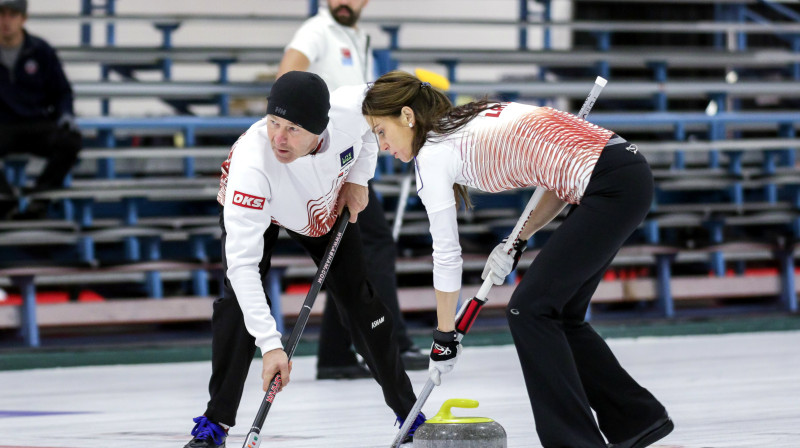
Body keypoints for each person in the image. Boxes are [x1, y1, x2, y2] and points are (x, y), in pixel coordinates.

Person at [361, 70, 674, 448]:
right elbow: (557, 179)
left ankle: (577, 442)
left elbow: (446, 254)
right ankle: (637, 419)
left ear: (407, 116)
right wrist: (517, 241)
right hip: (620, 173)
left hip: (610, 185)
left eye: (381, 131)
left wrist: (444, 337)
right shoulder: (467, 119)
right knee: (559, 314)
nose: (382, 145)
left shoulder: (433, 154)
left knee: (529, 310)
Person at [183, 71, 425, 448]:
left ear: (319, 126)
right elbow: (243, 268)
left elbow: (376, 123)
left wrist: (359, 178)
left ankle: (409, 414)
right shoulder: (253, 164)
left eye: (293, 128)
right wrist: (271, 346)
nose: (278, 138)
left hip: (321, 207)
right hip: (262, 204)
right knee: (236, 306)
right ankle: (215, 423)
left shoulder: (351, 109)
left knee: (361, 304)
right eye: (273, 122)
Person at [277, 0, 428, 379]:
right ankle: (390, 343)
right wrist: (309, 135)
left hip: (349, 160)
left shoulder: (358, 38)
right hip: (324, 159)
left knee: (350, 252)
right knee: (374, 245)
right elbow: (287, 78)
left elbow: (368, 113)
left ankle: (337, 355)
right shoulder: (317, 30)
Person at [0, 0, 81, 219]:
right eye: (1, 14)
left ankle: (40, 200)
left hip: (37, 123)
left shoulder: (41, 50)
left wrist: (66, 114)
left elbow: (62, 91)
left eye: (12, 15)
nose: (6, 21)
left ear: (23, 19)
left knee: (70, 141)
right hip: (3, 125)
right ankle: (5, 202)